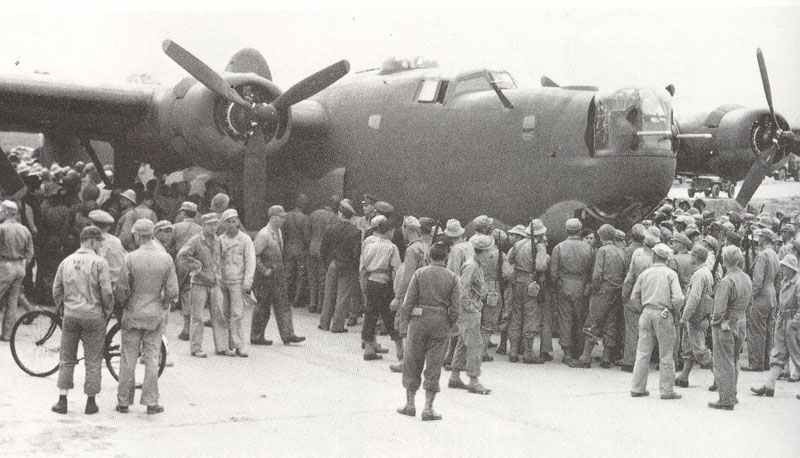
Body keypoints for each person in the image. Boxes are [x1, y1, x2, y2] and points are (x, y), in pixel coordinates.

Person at [115, 219, 178, 415]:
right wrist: (164, 303)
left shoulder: (130, 258)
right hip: (155, 312)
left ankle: (124, 401)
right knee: (152, 358)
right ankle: (151, 401)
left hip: (133, 311)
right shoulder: (166, 258)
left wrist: (124, 305)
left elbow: (122, 288)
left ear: (138, 235)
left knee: (128, 357)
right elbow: (172, 290)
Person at [396, 242, 461, 421]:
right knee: (434, 365)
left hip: (418, 322)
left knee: (412, 361)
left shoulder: (419, 274)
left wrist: (403, 324)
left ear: (429, 257)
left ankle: (409, 404)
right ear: (445, 258)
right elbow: (456, 308)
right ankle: (428, 408)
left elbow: (408, 302)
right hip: (441, 322)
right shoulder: (453, 278)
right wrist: (450, 322)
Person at [50, 226, 112, 415]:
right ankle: (90, 402)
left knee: (67, 358)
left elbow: (56, 289)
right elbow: (107, 292)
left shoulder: (66, 261)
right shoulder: (100, 263)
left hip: (71, 315)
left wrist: (62, 307)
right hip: (93, 316)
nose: (100, 245)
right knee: (93, 360)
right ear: (92, 241)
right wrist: (107, 311)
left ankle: (62, 400)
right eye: (99, 242)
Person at [629, 243, 684, 400]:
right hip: (663, 313)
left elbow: (634, 296)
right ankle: (667, 390)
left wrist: (642, 309)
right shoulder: (670, 274)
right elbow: (679, 297)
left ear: (654, 256)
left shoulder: (645, 273)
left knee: (642, 352)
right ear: (667, 258)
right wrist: (674, 311)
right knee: (666, 353)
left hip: (646, 312)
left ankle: (637, 387)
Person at [573, 224, 626, 368]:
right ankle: (606, 358)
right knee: (611, 323)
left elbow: (597, 274)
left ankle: (585, 357)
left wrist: (594, 289)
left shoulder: (602, 251)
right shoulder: (621, 251)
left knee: (593, 321)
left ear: (602, 236)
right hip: (617, 291)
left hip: (602, 290)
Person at [252, 205, 305, 345]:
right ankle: (256, 336)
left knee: (283, 305)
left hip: (278, 275)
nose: (283, 220)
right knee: (263, 307)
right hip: (266, 277)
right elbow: (255, 256)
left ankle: (288, 334)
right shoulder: (264, 235)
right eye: (281, 217)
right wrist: (264, 270)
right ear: (273, 217)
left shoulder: (278, 232)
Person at [751, 253, 800, 399]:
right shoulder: (786, 281)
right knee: (778, 353)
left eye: (785, 267)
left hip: (793, 322)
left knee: (797, 355)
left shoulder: (797, 283)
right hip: (783, 320)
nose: (783, 269)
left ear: (792, 268)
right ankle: (769, 385)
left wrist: (795, 322)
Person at [177, 213, 227, 357]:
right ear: (203, 225)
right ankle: (196, 347)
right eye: (210, 224)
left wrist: (218, 275)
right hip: (199, 282)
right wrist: (197, 268)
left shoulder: (218, 241)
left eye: (215, 224)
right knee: (197, 316)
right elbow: (182, 256)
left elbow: (221, 259)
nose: (213, 227)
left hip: (214, 282)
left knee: (218, 315)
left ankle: (222, 346)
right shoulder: (195, 240)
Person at [709, 246, 752, 410]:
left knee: (723, 361)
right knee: (734, 359)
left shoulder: (727, 281)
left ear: (724, 260)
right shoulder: (746, 278)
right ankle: (732, 394)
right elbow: (750, 302)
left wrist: (715, 322)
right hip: (741, 320)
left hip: (726, 323)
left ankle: (726, 398)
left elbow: (719, 309)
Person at [448, 234, 491, 394]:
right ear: (482, 251)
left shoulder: (475, 265)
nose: (490, 254)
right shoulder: (472, 266)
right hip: (469, 311)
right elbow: (462, 289)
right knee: (475, 344)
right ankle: (473, 379)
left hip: (471, 308)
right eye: (488, 251)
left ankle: (455, 376)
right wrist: (470, 307)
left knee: (462, 342)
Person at [550, 218, 593, 365]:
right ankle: (579, 350)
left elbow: (553, 272)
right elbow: (591, 269)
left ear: (566, 230)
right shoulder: (588, 248)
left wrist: (557, 286)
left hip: (564, 285)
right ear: (580, 230)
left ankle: (567, 353)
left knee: (565, 319)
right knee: (580, 318)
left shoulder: (559, 247)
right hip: (581, 286)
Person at [389, 216, 430, 372]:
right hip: (423, 292)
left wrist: (398, 297)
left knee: (403, 325)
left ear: (408, 229)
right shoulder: (425, 246)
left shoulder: (412, 249)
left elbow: (408, 277)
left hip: (411, 293)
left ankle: (405, 361)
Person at [506, 219, 548, 363]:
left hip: (517, 281)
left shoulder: (518, 244)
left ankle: (513, 351)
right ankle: (528, 353)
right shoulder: (539, 246)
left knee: (516, 316)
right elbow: (541, 266)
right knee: (531, 316)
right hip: (531, 283)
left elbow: (509, 260)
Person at [359, 217, 402, 360]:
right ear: (389, 231)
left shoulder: (369, 242)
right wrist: (397, 289)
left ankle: (369, 347)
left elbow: (364, 263)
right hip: (384, 283)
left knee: (370, 314)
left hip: (371, 280)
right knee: (388, 315)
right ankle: (399, 347)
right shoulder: (391, 247)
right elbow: (396, 268)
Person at [675, 244, 714, 387]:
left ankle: (719, 376)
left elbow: (694, 298)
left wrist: (684, 316)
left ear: (696, 257)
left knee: (699, 350)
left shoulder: (699, 274)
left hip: (696, 316)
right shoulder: (705, 272)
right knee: (689, 348)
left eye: (692, 255)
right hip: (700, 315)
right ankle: (684, 376)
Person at [319, 201, 361, 333]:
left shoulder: (330, 228)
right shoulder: (356, 232)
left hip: (332, 264)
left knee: (328, 294)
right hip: (347, 266)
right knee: (343, 297)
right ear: (351, 216)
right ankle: (337, 326)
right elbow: (356, 253)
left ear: (339, 213)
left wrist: (328, 263)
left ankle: (324, 323)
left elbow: (323, 249)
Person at [219, 209, 255, 357]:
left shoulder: (245, 240)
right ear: (224, 224)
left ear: (238, 222)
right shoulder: (220, 240)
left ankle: (239, 344)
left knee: (237, 314)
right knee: (224, 313)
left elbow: (250, 260)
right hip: (223, 281)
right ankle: (227, 344)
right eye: (228, 221)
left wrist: (248, 281)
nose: (232, 224)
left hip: (238, 281)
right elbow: (217, 260)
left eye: (234, 221)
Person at [619, 233, 658, 372]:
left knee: (632, 329)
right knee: (649, 330)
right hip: (652, 296)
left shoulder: (638, 254)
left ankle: (629, 361)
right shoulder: (659, 260)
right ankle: (646, 361)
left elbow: (629, 277)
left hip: (636, 294)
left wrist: (625, 295)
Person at [743, 229, 779, 372]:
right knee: (768, 330)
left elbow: (757, 280)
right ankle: (766, 361)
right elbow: (778, 279)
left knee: (757, 330)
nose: (758, 240)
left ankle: (756, 363)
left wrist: (750, 297)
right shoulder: (774, 254)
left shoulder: (763, 255)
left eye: (760, 238)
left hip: (761, 295)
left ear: (764, 239)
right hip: (772, 295)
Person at [0, 200, 35, 340]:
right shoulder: (24, 229)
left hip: (4, 265)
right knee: (12, 301)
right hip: (20, 266)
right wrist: (23, 265)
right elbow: (30, 252)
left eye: (2, 210)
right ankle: (7, 334)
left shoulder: (2, 228)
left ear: (7, 212)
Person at [172, 201, 202, 341]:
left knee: (184, 292)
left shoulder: (175, 227)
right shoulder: (200, 229)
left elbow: (169, 245)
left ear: (183, 213)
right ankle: (191, 327)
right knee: (192, 292)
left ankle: (186, 327)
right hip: (195, 263)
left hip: (180, 262)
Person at [307, 196, 339, 313]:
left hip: (312, 248)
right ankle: (320, 305)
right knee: (322, 278)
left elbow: (307, 232)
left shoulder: (314, 214)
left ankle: (312, 303)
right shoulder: (334, 217)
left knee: (312, 277)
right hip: (324, 251)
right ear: (335, 205)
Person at [284, 194, 310, 309]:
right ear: (303, 204)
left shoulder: (286, 216)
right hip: (301, 250)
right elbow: (306, 236)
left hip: (289, 248)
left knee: (287, 274)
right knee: (301, 275)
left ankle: (284, 299)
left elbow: (283, 233)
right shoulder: (304, 218)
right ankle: (297, 300)